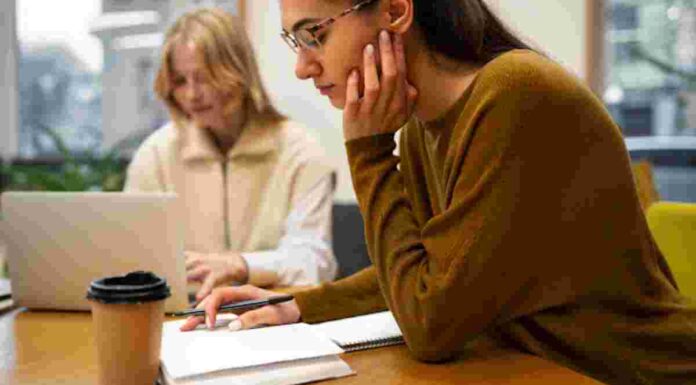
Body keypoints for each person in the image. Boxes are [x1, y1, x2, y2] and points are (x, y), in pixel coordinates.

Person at [181, 1, 696, 383]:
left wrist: (368, 153)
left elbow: (431, 324)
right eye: (296, 44)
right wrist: (296, 305)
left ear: (396, 11)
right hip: (543, 369)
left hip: (635, 374)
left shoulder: (514, 94)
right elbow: (432, 272)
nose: (303, 67)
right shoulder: (424, 128)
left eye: (314, 35)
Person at [124, 8, 337, 301]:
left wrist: (242, 265)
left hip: (274, 319)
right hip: (182, 319)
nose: (191, 95)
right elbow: (130, 260)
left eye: (204, 77)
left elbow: (314, 264)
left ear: (239, 72)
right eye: (180, 81)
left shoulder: (301, 152)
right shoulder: (154, 155)